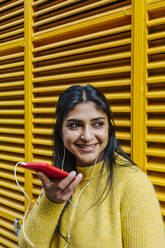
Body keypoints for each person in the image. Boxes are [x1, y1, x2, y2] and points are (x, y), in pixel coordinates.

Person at [18, 85, 165, 248]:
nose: (87, 136)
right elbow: (27, 246)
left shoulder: (132, 183)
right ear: (61, 131)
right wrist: (52, 202)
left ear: (108, 128)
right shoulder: (60, 179)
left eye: (98, 124)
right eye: (74, 125)